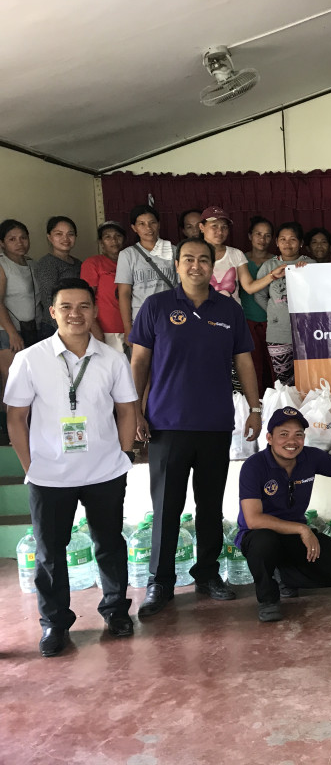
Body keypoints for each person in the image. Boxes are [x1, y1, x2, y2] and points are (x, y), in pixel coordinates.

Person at [4, 278, 138, 656]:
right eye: (66, 306)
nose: (75, 314)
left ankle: (115, 610)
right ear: (52, 312)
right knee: (49, 553)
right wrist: (32, 467)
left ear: (95, 311)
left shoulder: (112, 359)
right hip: (49, 477)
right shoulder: (29, 359)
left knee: (110, 545)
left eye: (83, 306)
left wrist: (123, 455)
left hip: (104, 472)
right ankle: (55, 624)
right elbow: (16, 418)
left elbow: (127, 409)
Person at [129, 238, 262, 618]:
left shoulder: (229, 310)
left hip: (216, 425)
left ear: (213, 266)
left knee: (209, 506)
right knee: (166, 508)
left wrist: (254, 408)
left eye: (204, 260)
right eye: (188, 259)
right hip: (166, 425)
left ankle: (207, 574)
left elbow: (245, 363)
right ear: (177, 265)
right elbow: (139, 362)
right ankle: (161, 581)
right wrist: (135, 411)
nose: (196, 266)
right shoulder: (156, 307)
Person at [237, 407, 331, 622]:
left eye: (298, 435)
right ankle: (268, 600)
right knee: (264, 542)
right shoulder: (254, 466)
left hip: (293, 534)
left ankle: (284, 576)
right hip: (259, 534)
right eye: (283, 434)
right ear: (269, 438)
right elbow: (254, 519)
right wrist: (302, 529)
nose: (291, 441)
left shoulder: (310, 457)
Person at [256, 222, 314, 385]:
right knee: (285, 383)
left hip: (307, 334)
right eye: (283, 239)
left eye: (292, 239)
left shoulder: (311, 264)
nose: (287, 244)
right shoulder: (270, 265)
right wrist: (274, 311)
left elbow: (319, 297)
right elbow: (259, 295)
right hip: (278, 333)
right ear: (276, 242)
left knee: (309, 381)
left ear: (301, 243)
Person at [115, 204, 177, 349]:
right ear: (134, 228)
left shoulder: (174, 251)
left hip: (171, 317)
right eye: (141, 224)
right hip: (141, 319)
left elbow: (182, 288)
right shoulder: (127, 255)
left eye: (152, 223)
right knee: (144, 366)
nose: (148, 228)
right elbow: (124, 293)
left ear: (159, 224)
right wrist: (128, 327)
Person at [0, 220, 39, 384]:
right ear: (2, 243)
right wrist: (12, 334)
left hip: (32, 328)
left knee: (31, 380)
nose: (19, 243)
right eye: (12, 239)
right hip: (8, 332)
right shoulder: (2, 264)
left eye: (23, 238)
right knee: (13, 382)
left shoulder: (32, 263)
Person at [240, 216, 276, 391]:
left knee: (275, 368)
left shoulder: (278, 261)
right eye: (258, 234)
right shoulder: (240, 260)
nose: (263, 239)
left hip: (274, 323)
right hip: (248, 321)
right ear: (249, 236)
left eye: (267, 235)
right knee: (253, 367)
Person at [32, 216, 82, 339]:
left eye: (70, 234)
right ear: (49, 237)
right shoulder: (47, 263)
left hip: (75, 321)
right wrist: (62, 329)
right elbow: (49, 298)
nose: (65, 238)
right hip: (55, 327)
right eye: (59, 234)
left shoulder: (79, 263)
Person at [81, 221, 127, 352]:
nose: (114, 240)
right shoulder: (93, 263)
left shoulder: (131, 262)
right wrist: (95, 329)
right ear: (101, 242)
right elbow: (86, 300)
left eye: (118, 236)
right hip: (107, 329)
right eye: (107, 237)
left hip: (132, 327)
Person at [203, 206, 250, 302]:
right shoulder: (192, 254)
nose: (220, 232)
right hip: (203, 313)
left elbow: (249, 287)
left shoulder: (236, 254)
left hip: (232, 313)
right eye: (214, 226)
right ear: (201, 227)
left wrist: (272, 275)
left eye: (224, 227)